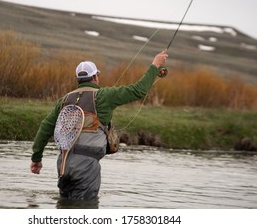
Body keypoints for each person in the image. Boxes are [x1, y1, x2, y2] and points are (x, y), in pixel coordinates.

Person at [30, 50, 168, 200]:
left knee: (65, 208)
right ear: (95, 77)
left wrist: (36, 158)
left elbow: (45, 127)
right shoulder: (103, 95)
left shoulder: (64, 100)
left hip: (63, 165)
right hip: (87, 167)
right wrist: (155, 65)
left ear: (78, 79)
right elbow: (138, 90)